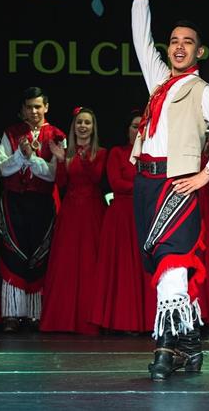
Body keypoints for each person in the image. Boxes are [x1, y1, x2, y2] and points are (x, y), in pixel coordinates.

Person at [131, 0, 209, 381]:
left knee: (173, 265)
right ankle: (192, 342)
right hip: (146, 184)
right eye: (174, 40)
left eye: (187, 42)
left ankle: (164, 348)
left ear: (199, 51)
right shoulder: (160, 83)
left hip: (176, 185)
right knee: (160, 263)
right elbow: (142, 44)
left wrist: (206, 174)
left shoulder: (201, 90)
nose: (178, 46)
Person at [0, 87, 66, 332]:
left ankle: (35, 313)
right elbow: (3, 168)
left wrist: (31, 158)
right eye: (29, 107)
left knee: (39, 255)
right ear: (23, 109)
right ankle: (12, 314)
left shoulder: (57, 135)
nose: (34, 111)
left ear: (46, 107)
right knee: (13, 253)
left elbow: (53, 174)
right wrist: (20, 155)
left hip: (42, 202)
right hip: (13, 200)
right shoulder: (11, 133)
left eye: (38, 106)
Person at [40, 107, 106, 334]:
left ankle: (88, 320)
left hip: (92, 211)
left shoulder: (101, 153)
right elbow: (60, 183)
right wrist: (60, 161)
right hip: (70, 211)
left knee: (89, 262)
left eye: (87, 123)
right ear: (74, 126)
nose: (83, 126)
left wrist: (73, 159)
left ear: (93, 127)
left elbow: (95, 177)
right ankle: (62, 319)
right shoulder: (65, 152)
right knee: (66, 263)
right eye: (79, 122)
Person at [90, 110, 156, 333]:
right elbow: (116, 183)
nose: (138, 131)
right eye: (135, 126)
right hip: (121, 217)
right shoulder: (117, 153)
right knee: (123, 268)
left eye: (142, 127)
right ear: (127, 130)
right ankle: (123, 320)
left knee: (144, 267)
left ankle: (146, 320)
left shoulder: (153, 155)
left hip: (145, 215)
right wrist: (143, 187)